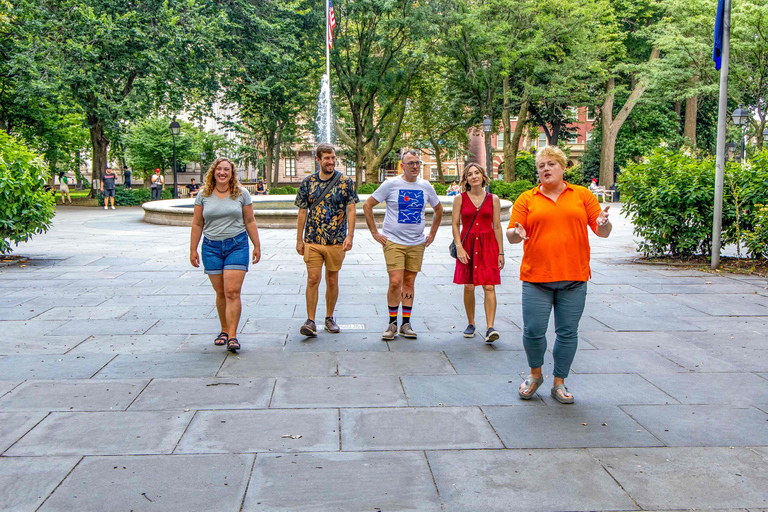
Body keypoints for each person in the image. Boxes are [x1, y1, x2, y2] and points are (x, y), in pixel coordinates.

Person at [506, 145, 611, 404]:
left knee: (567, 333)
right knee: (532, 331)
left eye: (551, 164)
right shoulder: (527, 198)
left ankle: (559, 382)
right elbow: (511, 236)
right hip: (536, 279)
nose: (545, 169)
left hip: (574, 278)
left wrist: (604, 222)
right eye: (541, 165)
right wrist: (514, 233)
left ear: (563, 168)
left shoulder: (582, 195)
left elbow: (602, 231)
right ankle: (535, 375)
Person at [363, 149, 443, 340]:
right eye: (411, 163)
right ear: (402, 166)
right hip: (394, 242)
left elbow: (439, 210)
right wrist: (375, 232)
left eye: (417, 163)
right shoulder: (391, 184)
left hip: (417, 243)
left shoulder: (426, 187)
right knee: (395, 282)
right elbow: (367, 205)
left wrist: (431, 233)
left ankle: (406, 324)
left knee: (409, 282)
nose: (415, 166)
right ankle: (392, 323)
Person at [190, 157, 261, 353]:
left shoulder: (241, 194)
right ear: (213, 172)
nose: (222, 172)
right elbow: (197, 223)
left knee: (232, 291)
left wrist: (256, 245)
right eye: (219, 169)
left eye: (226, 170)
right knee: (221, 292)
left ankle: (232, 335)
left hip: (237, 245)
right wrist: (192, 249)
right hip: (211, 247)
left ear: (232, 173)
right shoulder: (203, 195)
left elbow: (250, 220)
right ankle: (223, 330)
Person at [295, 143, 358, 337]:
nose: (331, 162)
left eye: (333, 158)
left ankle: (329, 317)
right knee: (313, 279)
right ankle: (310, 320)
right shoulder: (308, 182)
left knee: (332, 279)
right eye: (327, 158)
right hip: (313, 239)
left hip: (336, 240)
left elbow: (351, 209)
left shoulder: (345, 182)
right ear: (318, 160)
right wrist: (299, 239)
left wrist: (350, 236)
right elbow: (302, 211)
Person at [452, 163, 504, 342]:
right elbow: (455, 224)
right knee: (468, 285)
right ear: (465, 179)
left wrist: (501, 252)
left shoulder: (493, 199)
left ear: (483, 176)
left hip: (488, 244)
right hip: (467, 245)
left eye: (477, 173)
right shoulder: (459, 199)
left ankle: (490, 327)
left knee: (489, 285)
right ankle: (471, 322)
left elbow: (497, 226)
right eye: (469, 174)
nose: (473, 176)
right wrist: (459, 246)